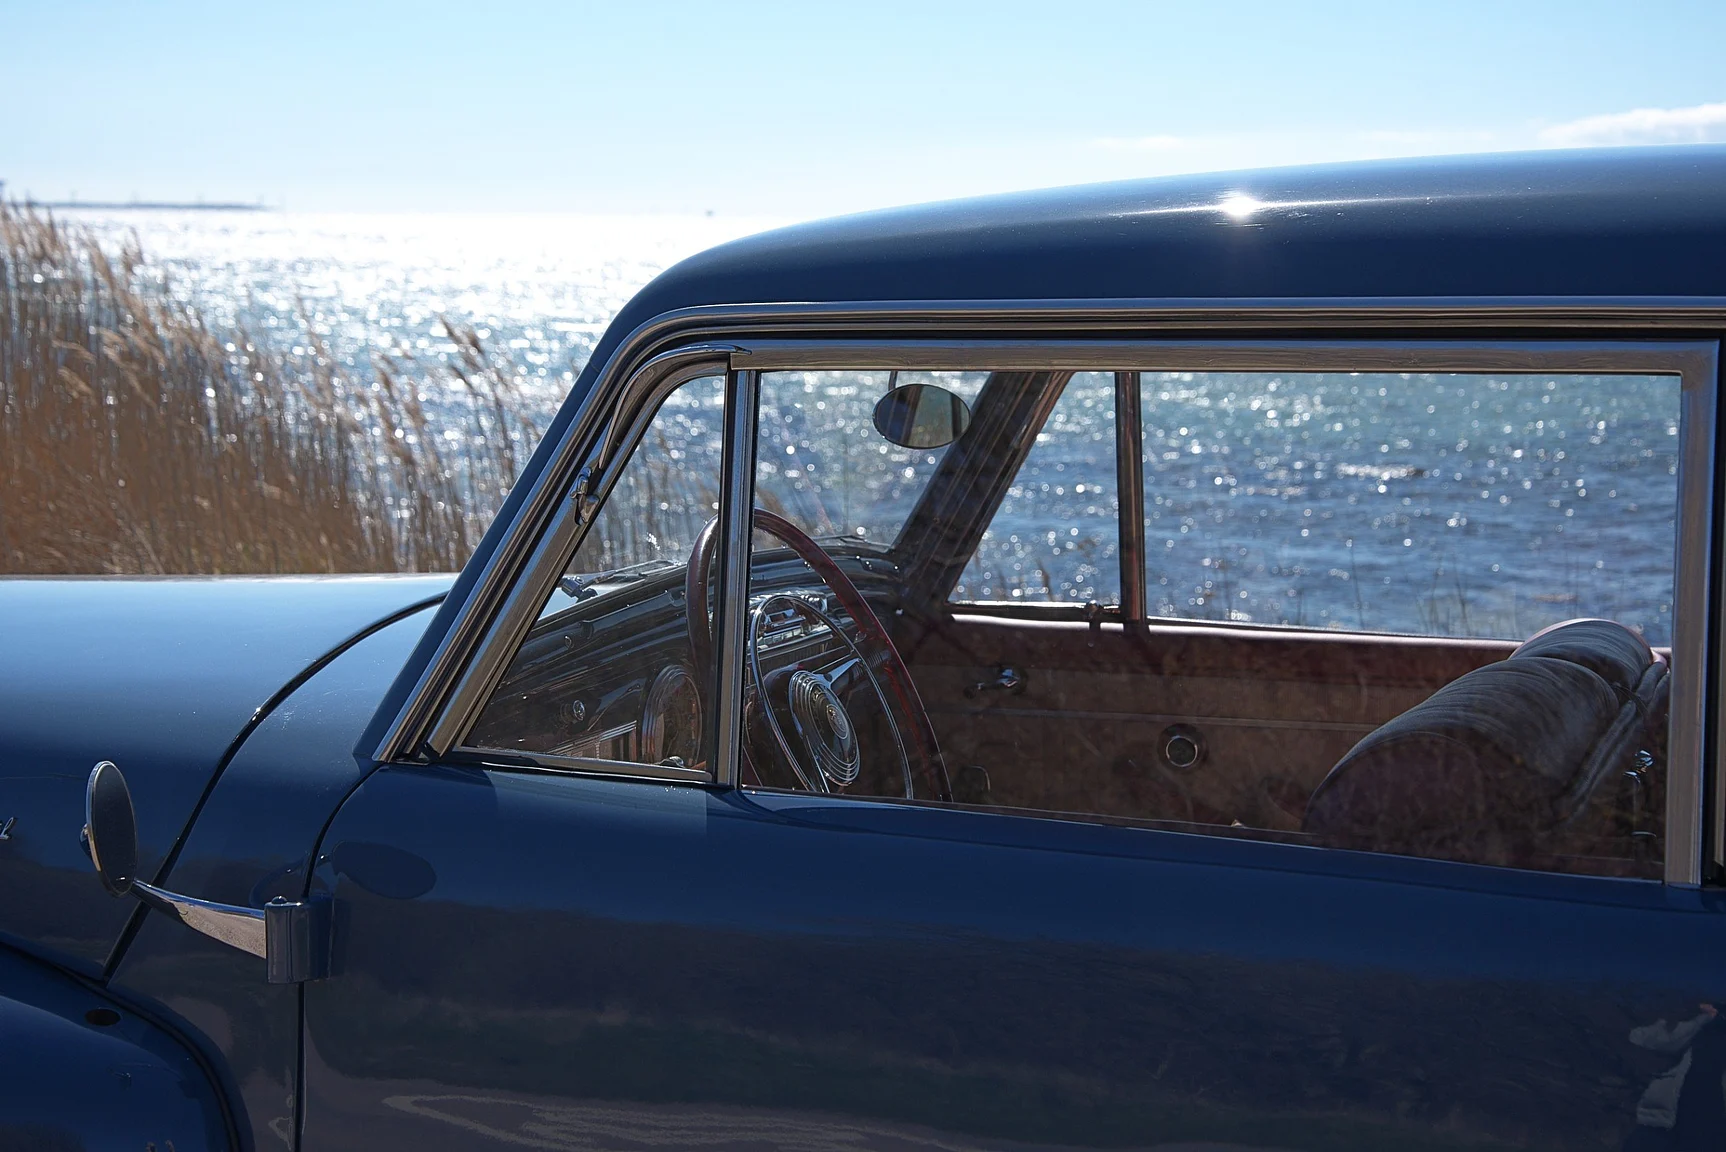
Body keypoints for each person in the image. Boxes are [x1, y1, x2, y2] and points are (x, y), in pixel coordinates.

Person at [1626, 1003, 1726, 1151]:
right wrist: (1701, 1018)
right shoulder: (1703, 1026)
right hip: (1663, 1123)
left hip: (1713, 1132)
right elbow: (1640, 1038)